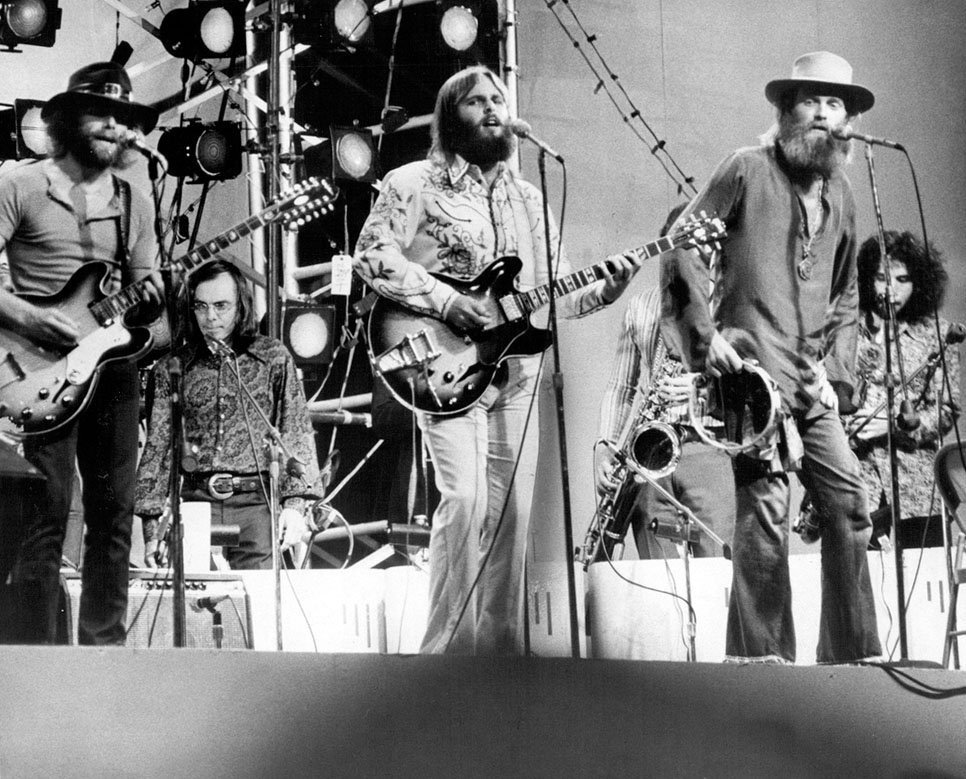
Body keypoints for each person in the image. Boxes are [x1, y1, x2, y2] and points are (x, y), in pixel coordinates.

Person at [354, 65, 638, 655]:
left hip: (515, 371)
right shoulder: (413, 182)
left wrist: (605, 291)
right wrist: (449, 300)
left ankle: (500, 655)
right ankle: (445, 654)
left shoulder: (529, 198)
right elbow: (372, 257)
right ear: (449, 115)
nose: (490, 108)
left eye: (498, 99)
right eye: (475, 101)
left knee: (511, 517)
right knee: (465, 502)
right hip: (442, 362)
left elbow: (553, 289)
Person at [661, 51, 882, 664]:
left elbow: (845, 295)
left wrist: (837, 376)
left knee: (849, 506)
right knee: (766, 518)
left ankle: (853, 659)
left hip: (811, 386)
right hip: (753, 382)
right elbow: (682, 248)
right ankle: (760, 663)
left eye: (835, 104)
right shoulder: (745, 169)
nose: (824, 114)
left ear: (849, 121)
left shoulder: (842, 192)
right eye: (810, 100)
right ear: (785, 111)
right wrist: (708, 340)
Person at [0, 62, 164, 644]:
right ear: (69, 120)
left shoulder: (136, 199)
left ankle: (103, 650)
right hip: (36, 367)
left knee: (113, 515)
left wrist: (150, 302)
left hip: (112, 369)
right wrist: (33, 316)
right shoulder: (17, 183)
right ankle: (35, 654)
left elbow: (152, 317)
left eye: (123, 117)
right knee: (44, 514)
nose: (114, 126)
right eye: (101, 113)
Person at [135, 260, 323, 570]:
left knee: (257, 607)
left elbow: (295, 430)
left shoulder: (272, 358)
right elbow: (158, 447)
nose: (211, 317)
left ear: (240, 306)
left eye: (221, 306)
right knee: (197, 608)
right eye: (201, 306)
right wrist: (152, 531)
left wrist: (294, 505)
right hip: (195, 503)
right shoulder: (173, 367)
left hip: (256, 503)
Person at [595, 207, 735, 560]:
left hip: (708, 447)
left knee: (717, 579)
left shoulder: (731, 309)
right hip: (648, 456)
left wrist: (700, 391)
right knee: (656, 581)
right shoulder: (641, 306)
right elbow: (621, 387)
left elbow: (752, 385)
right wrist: (605, 446)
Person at [849, 230, 960, 545]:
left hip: (917, 485)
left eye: (902, 279)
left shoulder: (938, 335)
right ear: (867, 280)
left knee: (925, 578)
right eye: (882, 278)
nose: (891, 289)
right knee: (860, 585)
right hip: (858, 483)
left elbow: (947, 410)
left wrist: (891, 427)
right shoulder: (844, 332)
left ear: (919, 283)